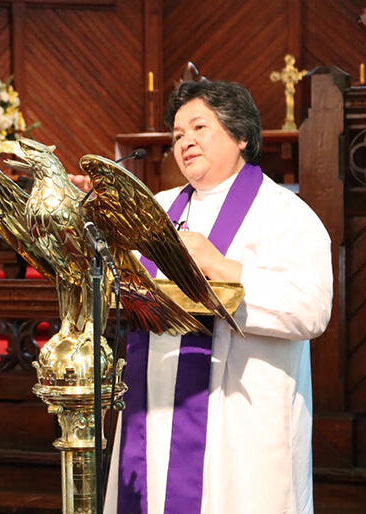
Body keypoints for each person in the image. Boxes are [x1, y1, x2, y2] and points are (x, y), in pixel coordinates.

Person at [104, 81, 333, 514]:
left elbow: (312, 309)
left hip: (239, 415)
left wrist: (222, 266)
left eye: (198, 127)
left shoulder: (286, 213)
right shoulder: (158, 207)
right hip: (155, 404)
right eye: (176, 134)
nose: (185, 141)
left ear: (241, 135)